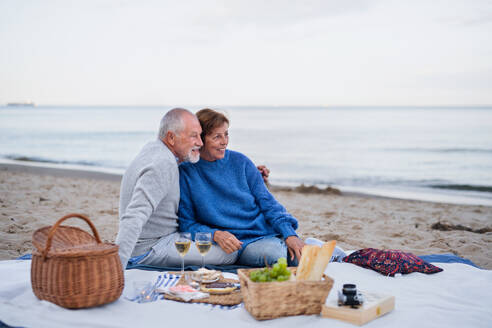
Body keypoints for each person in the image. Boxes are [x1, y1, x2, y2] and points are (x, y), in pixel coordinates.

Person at [178, 108, 305, 267]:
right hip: (236, 246)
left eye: (226, 134)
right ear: (200, 140)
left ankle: (295, 246)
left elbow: (268, 203)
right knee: (275, 256)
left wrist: (289, 234)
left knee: (299, 256)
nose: (224, 141)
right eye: (217, 136)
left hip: (263, 235)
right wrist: (215, 235)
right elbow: (187, 223)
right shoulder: (186, 173)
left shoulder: (241, 162)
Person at [115, 108, 237, 269]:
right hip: (151, 248)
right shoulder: (163, 164)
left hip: (161, 239)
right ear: (171, 137)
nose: (200, 143)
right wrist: (116, 269)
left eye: (200, 136)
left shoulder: (154, 151)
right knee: (230, 253)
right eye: (193, 136)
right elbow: (133, 217)